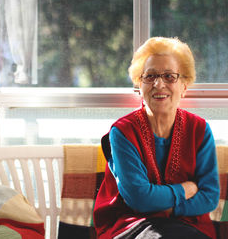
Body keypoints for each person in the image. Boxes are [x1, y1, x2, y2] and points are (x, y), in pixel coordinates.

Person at [93, 37, 220, 239]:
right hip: (131, 226)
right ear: (139, 85)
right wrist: (185, 190)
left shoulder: (200, 130)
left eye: (169, 76)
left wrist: (168, 209)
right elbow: (138, 198)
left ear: (184, 86)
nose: (158, 84)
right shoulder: (122, 132)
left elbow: (210, 196)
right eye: (150, 76)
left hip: (189, 227)